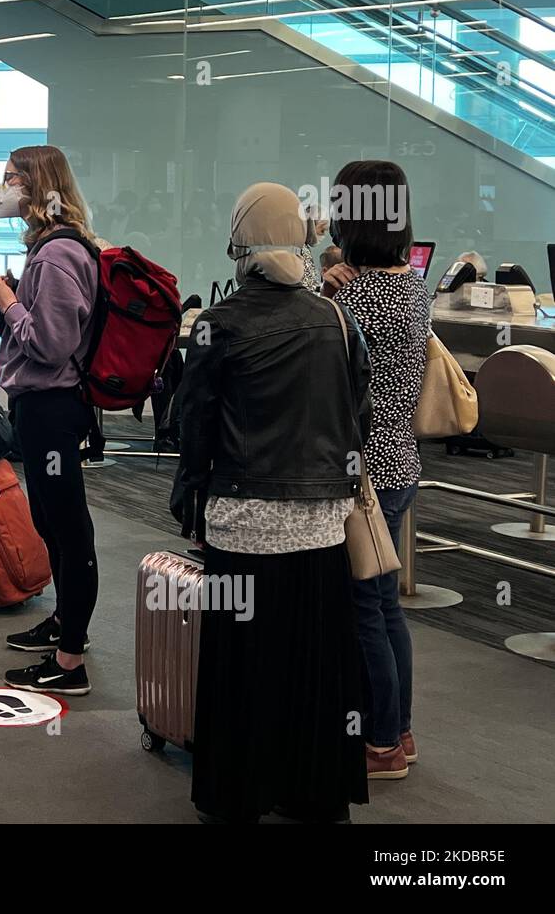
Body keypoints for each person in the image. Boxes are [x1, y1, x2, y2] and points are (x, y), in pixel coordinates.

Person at [171, 181, 370, 824]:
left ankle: (238, 794)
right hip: (323, 522)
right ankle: (313, 791)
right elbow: (357, 416)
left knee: (243, 665)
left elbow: (191, 429)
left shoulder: (216, 325)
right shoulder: (337, 318)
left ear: (240, 239)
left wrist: (191, 502)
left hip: (243, 519)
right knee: (315, 664)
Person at [323, 159, 430, 782]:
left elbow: (318, 355)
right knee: (385, 606)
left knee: (363, 607)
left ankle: (381, 742)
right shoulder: (411, 285)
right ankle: (400, 731)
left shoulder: (359, 296)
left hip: (366, 471)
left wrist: (325, 285)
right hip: (402, 460)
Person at [0, 144, 100, 697]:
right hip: (44, 405)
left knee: (67, 524)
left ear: (37, 186)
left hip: (52, 405)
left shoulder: (56, 256)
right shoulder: (52, 251)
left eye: (11, 178)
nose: (1, 188)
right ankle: (63, 627)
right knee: (53, 522)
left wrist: (7, 301)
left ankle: (71, 658)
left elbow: (51, 345)